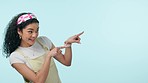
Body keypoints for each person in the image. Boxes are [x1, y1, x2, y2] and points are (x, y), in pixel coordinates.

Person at [2, 12, 84, 83]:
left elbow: (66, 62)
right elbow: (38, 81)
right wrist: (48, 56)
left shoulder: (44, 41)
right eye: (30, 31)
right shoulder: (16, 57)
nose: (34, 35)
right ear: (19, 31)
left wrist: (68, 45)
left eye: (37, 30)